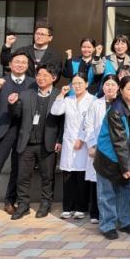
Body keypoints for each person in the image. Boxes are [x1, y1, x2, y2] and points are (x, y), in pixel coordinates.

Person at [0, 52, 35, 219]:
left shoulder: (32, 83)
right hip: (2, 128)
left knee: (17, 168)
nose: (20, 65)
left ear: (27, 66)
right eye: (17, 62)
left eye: (23, 62)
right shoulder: (0, 81)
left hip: (22, 130)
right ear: (10, 64)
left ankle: (10, 201)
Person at [8, 63, 63, 220]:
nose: (41, 78)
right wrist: (12, 104)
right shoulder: (26, 94)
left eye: (45, 75)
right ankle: (23, 205)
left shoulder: (59, 95)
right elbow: (16, 115)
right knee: (22, 177)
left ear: (54, 77)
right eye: (39, 75)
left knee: (47, 177)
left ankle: (45, 204)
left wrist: (59, 139)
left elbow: (62, 121)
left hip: (48, 143)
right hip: (26, 143)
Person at [93, 76, 130, 240]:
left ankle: (125, 221)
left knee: (125, 191)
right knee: (107, 193)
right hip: (108, 158)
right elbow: (119, 141)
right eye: (129, 88)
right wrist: (126, 167)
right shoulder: (116, 110)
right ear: (121, 90)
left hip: (125, 157)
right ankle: (107, 225)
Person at [51, 73, 95, 219]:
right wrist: (61, 95)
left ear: (86, 84)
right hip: (69, 143)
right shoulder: (68, 100)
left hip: (84, 143)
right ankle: (67, 207)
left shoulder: (92, 100)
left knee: (81, 176)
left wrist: (82, 139)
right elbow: (55, 111)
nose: (77, 86)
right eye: (74, 83)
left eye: (80, 83)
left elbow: (91, 123)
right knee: (68, 175)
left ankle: (81, 208)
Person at [84, 74, 120, 224]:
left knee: (115, 182)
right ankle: (96, 213)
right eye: (107, 84)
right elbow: (88, 126)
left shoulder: (121, 103)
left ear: (118, 87)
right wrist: (92, 145)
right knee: (98, 181)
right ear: (103, 87)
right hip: (99, 148)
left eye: (113, 84)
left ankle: (116, 214)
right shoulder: (95, 104)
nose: (110, 87)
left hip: (117, 149)